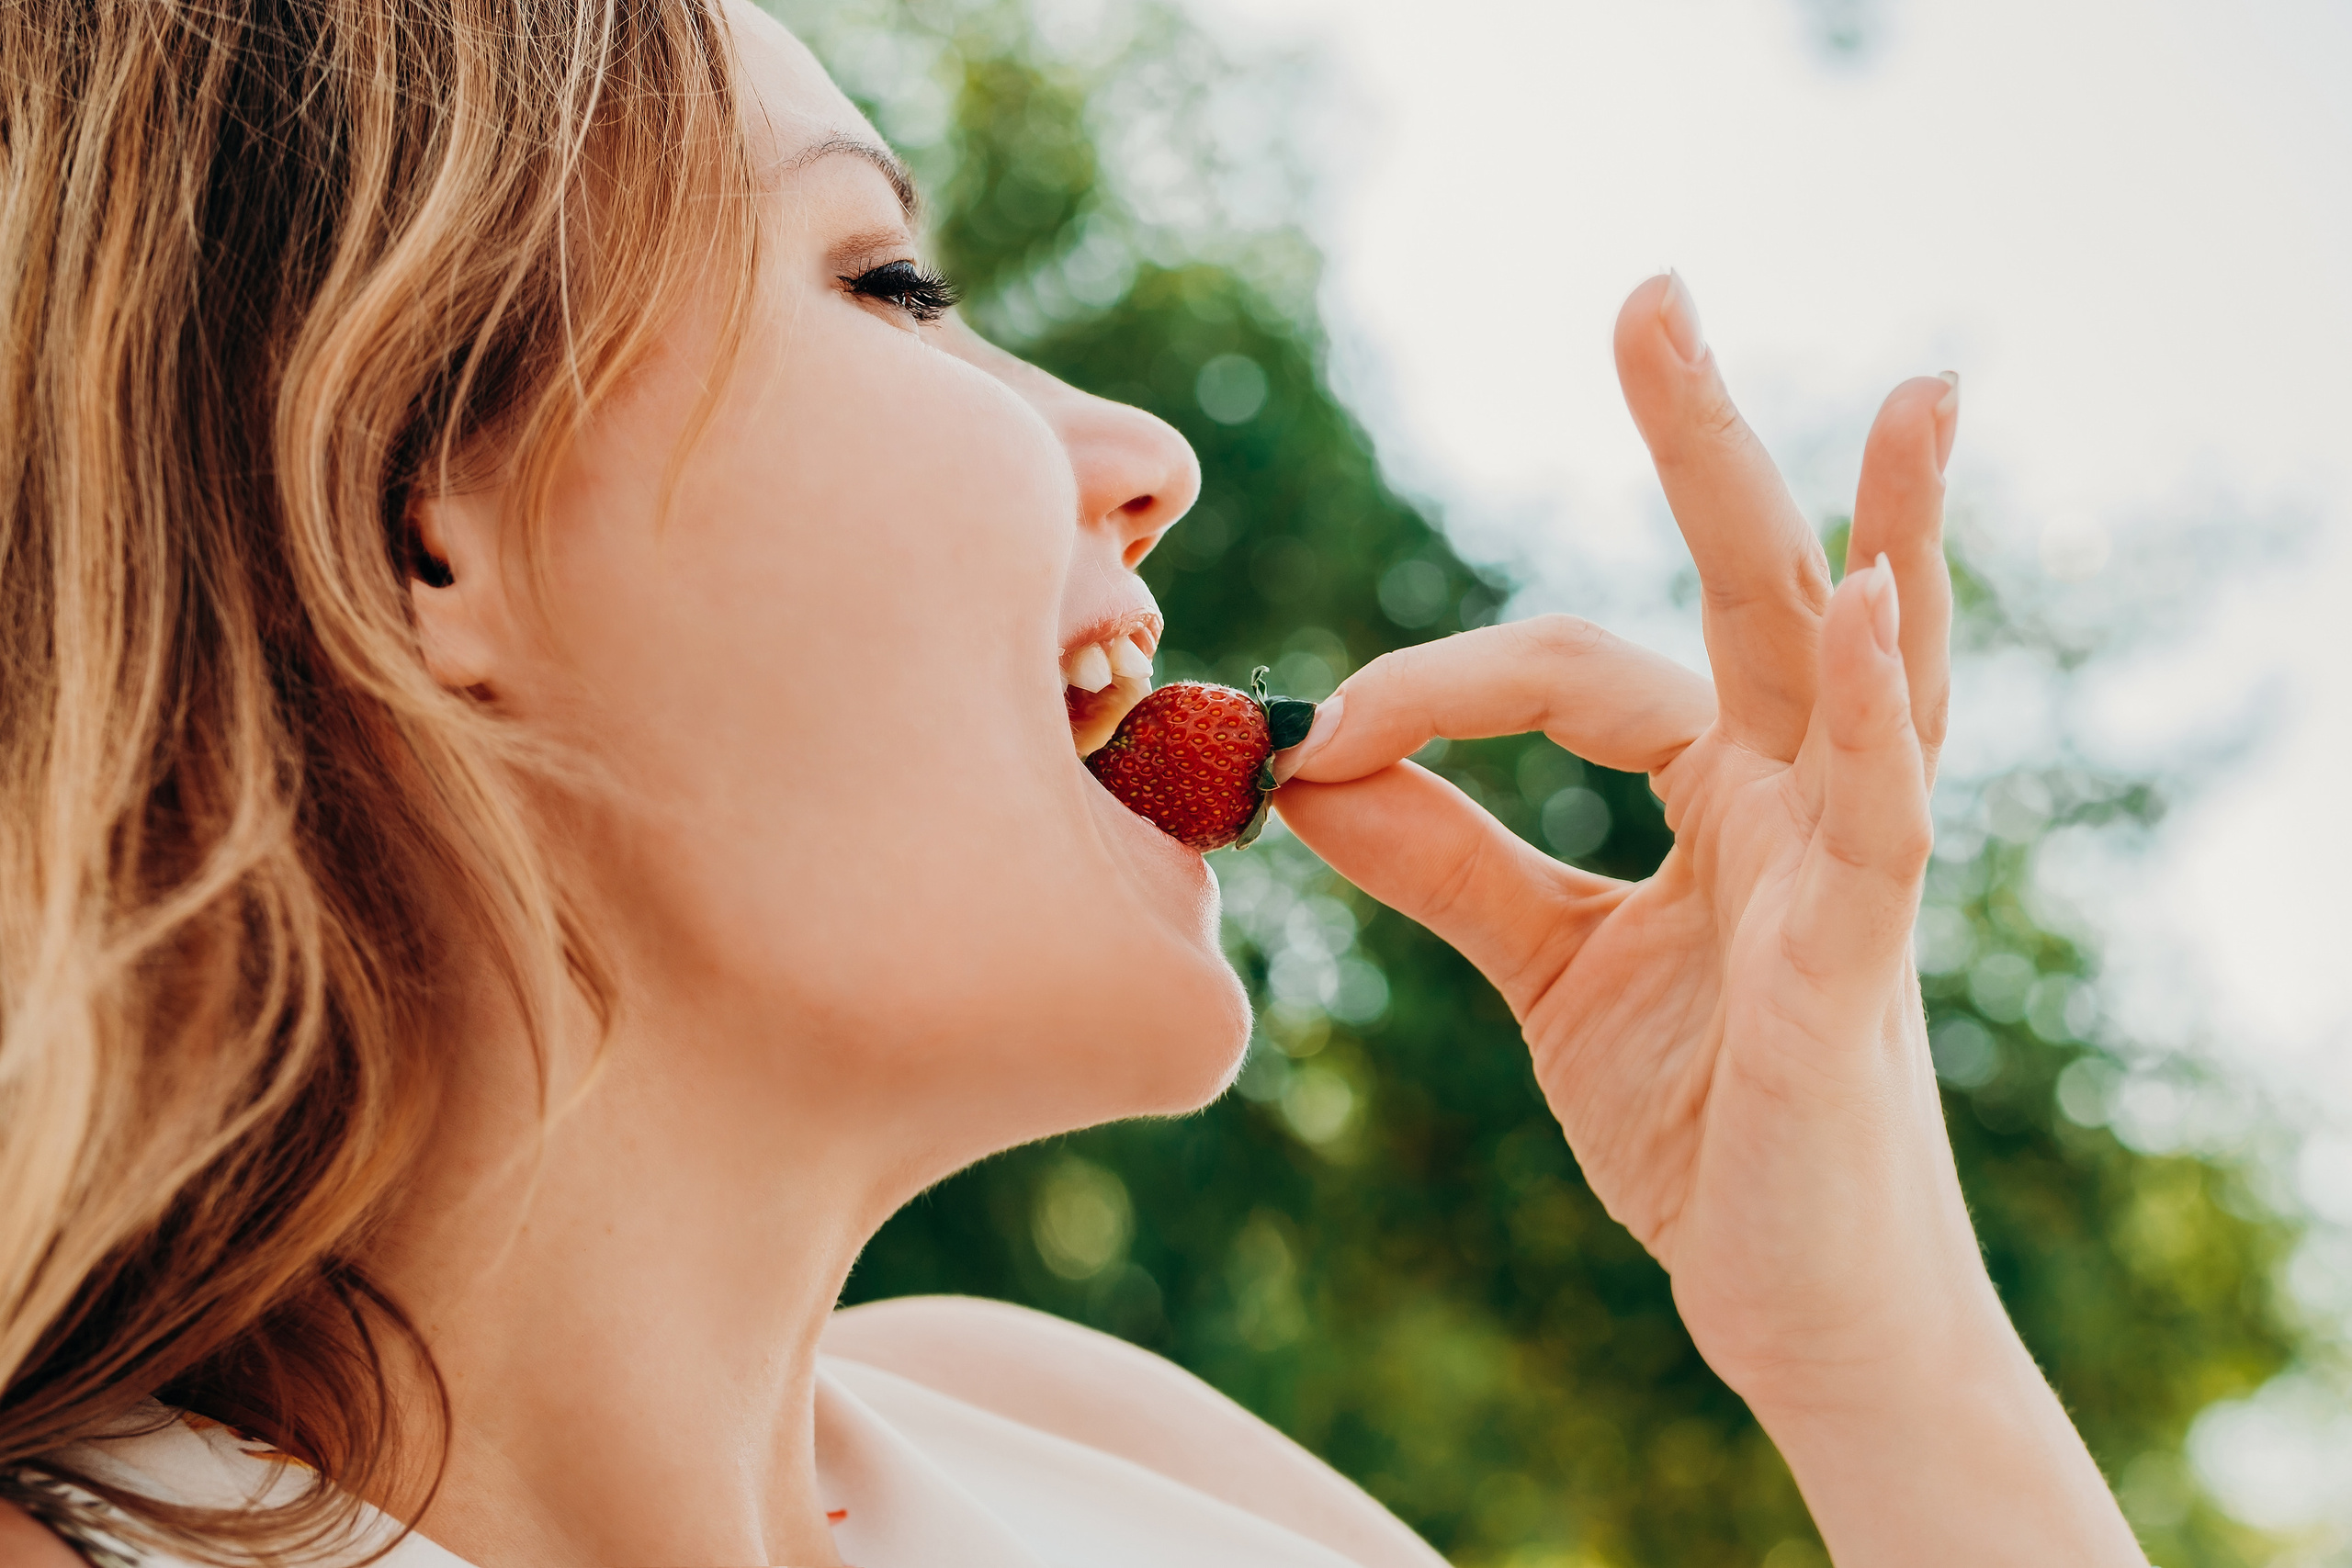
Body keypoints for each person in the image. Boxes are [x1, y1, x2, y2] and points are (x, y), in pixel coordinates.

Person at [0, 2, 2154, 1564]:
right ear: (414, 528)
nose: (1147, 459)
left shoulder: (1103, 1455)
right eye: (889, 283)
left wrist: (1868, 1320)